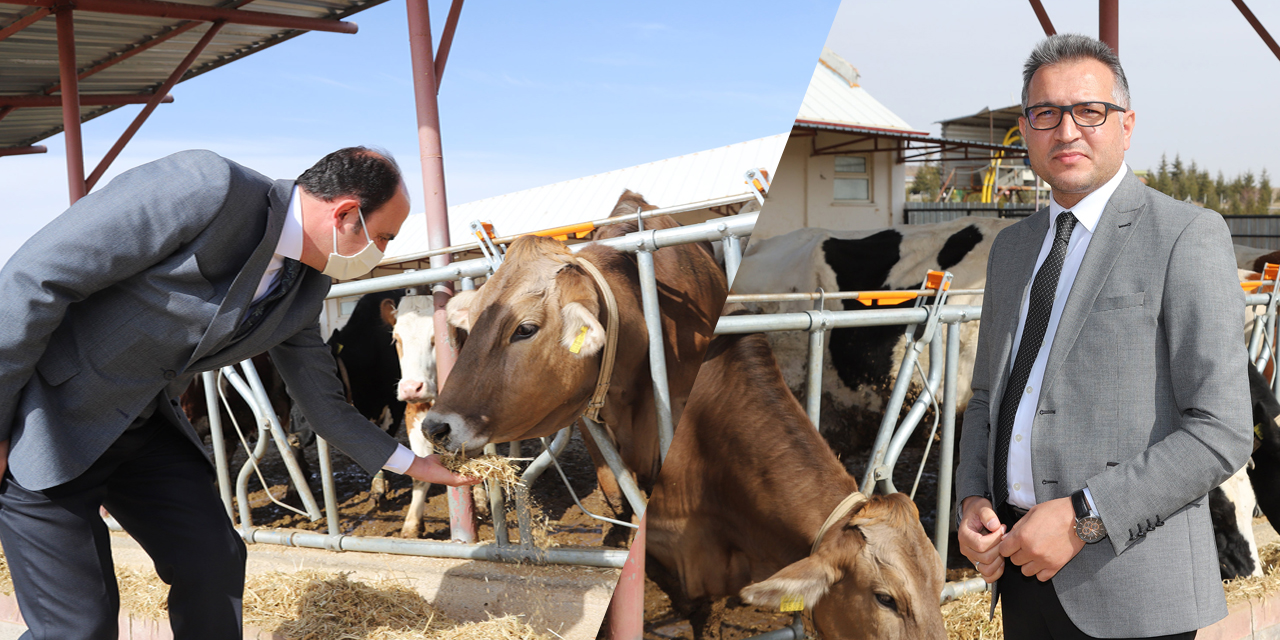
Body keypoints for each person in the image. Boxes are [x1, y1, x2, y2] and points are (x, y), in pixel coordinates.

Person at [0, 147, 479, 639]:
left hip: (139, 428)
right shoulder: (207, 188)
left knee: (214, 561)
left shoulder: (303, 288)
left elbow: (324, 402)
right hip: (43, 425)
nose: (382, 251)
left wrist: (411, 462)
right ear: (346, 214)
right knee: (79, 627)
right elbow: (32, 279)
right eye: (382, 237)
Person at [954, 34, 1251, 639]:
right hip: (1017, 569)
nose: (1066, 131)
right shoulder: (1012, 251)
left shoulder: (1184, 235)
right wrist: (970, 501)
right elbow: (986, 398)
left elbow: (1221, 430)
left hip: (1133, 589)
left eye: (1089, 111)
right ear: (1026, 128)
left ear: (1127, 125)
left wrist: (1083, 518)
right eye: (1046, 114)